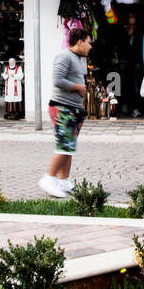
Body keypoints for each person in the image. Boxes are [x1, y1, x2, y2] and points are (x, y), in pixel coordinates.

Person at [40, 27, 91, 198]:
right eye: (88, 43)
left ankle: (64, 181)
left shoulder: (81, 59)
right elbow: (57, 80)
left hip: (75, 108)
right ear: (80, 42)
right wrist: (78, 87)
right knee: (64, 145)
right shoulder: (64, 56)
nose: (90, 47)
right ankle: (49, 178)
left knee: (70, 146)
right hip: (62, 107)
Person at [118, 12, 143, 118]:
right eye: (130, 17)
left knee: (136, 87)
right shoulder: (122, 30)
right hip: (124, 61)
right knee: (124, 85)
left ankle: (135, 108)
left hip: (135, 62)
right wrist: (128, 35)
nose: (132, 20)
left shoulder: (139, 31)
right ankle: (125, 104)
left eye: (133, 17)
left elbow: (140, 46)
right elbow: (120, 45)